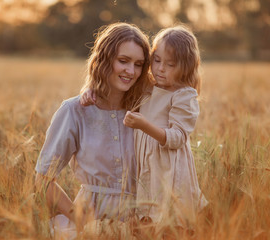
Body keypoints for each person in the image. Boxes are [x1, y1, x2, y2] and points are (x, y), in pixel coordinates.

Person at [81, 25, 208, 236]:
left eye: (170, 64)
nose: (160, 69)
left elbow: (177, 138)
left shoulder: (184, 96)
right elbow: (116, 87)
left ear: (185, 67)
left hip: (167, 171)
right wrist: (90, 89)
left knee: (171, 223)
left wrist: (144, 126)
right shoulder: (149, 85)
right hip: (145, 167)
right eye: (156, 60)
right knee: (145, 221)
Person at [35, 22, 151, 239]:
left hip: (141, 225)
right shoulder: (74, 111)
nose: (131, 71)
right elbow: (43, 179)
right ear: (104, 60)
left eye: (138, 64)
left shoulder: (147, 110)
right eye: (123, 61)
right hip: (90, 227)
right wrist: (81, 220)